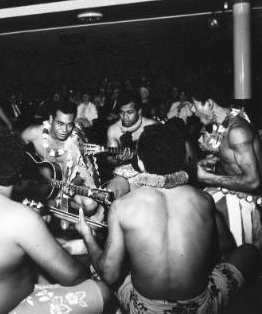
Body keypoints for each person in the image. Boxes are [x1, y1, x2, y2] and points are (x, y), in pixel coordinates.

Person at [76, 124, 258, 314]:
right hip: (200, 306)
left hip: (144, 309)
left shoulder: (122, 207)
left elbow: (110, 274)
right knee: (249, 251)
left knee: (108, 269)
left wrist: (87, 236)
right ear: (181, 159)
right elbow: (226, 246)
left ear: (141, 163)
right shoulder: (204, 199)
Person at [0, 128, 114, 314]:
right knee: (102, 291)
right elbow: (75, 276)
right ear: (18, 170)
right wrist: (86, 242)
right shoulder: (20, 217)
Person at [191, 86, 262, 248]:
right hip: (232, 195)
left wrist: (208, 177)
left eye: (195, 105)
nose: (193, 110)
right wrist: (213, 159)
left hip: (244, 203)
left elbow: (253, 181)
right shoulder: (226, 124)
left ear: (209, 103)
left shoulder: (237, 131)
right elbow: (234, 161)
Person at [21, 99, 101, 215]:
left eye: (69, 125)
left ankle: (60, 207)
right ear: (51, 119)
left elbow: (85, 174)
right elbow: (12, 151)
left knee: (91, 204)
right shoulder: (34, 133)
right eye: (60, 124)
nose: (64, 130)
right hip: (36, 186)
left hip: (63, 188)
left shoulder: (76, 143)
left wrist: (74, 184)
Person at [106, 91, 157, 167]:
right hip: (127, 170)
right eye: (121, 112)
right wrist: (118, 160)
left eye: (130, 112)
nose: (125, 117)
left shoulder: (152, 125)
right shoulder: (113, 130)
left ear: (139, 111)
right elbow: (110, 158)